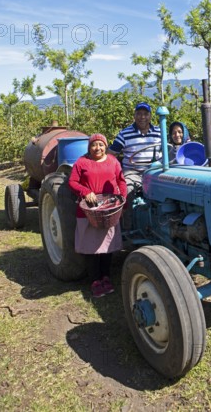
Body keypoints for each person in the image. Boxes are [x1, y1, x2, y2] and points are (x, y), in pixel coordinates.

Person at [68, 133, 127, 298]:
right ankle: (95, 280)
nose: (98, 148)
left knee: (107, 246)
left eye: (101, 144)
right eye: (94, 145)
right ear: (89, 147)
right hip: (89, 210)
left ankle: (106, 277)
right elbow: (72, 182)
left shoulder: (113, 161)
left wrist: (122, 197)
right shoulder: (82, 162)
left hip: (108, 209)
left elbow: (121, 181)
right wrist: (86, 192)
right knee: (91, 247)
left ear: (106, 146)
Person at [109, 102, 161, 231]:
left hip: (156, 172)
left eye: (145, 114)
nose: (142, 117)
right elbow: (112, 153)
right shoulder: (125, 134)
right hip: (133, 172)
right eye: (139, 114)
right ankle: (128, 227)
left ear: (150, 116)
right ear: (134, 115)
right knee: (127, 190)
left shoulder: (160, 132)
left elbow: (172, 148)